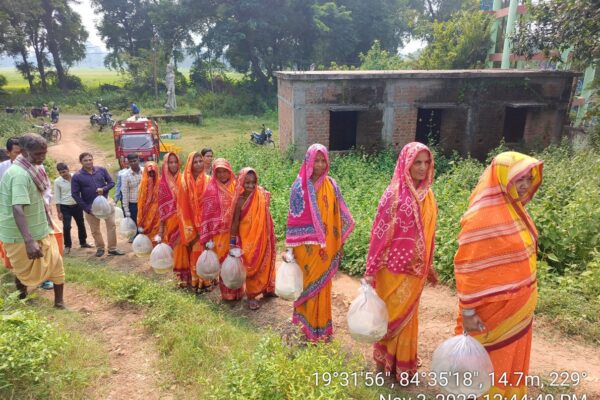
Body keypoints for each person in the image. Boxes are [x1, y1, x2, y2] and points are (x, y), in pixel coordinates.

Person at [454, 151, 543, 398]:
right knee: (488, 365)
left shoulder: (516, 211)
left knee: (508, 364)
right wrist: (469, 312)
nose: (524, 184)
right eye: (518, 178)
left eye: (528, 177)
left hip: (518, 312)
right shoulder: (481, 217)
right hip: (490, 314)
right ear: (502, 178)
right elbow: (467, 266)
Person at [364, 142, 438, 381]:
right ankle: (383, 362)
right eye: (417, 162)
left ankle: (403, 366)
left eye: (426, 162)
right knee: (391, 317)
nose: (422, 167)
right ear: (406, 163)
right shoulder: (393, 194)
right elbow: (379, 233)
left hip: (416, 271)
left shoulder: (428, 196)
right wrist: (371, 269)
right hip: (392, 270)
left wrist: (431, 263)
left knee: (408, 320)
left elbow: (429, 234)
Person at [285, 144, 355, 342]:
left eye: (323, 160)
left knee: (323, 287)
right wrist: (289, 249)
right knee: (305, 285)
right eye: (316, 160)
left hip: (326, 247)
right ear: (308, 161)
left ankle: (322, 328)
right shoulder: (298, 187)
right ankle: (303, 325)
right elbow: (293, 219)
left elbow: (340, 215)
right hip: (305, 249)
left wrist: (336, 240)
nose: (320, 164)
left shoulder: (332, 185)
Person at [0, 134, 65, 308]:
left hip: (41, 228)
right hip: (20, 235)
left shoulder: (34, 168)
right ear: (23, 152)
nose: (42, 157)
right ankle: (21, 300)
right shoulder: (19, 174)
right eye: (37, 154)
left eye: (44, 153)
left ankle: (59, 303)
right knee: (22, 271)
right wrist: (29, 241)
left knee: (56, 263)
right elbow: (17, 208)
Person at [230, 168, 276, 310]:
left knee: (265, 260)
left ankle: (267, 288)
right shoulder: (239, 201)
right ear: (241, 182)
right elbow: (235, 222)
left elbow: (266, 213)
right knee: (251, 265)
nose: (250, 186)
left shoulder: (261, 195)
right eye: (247, 182)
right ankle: (251, 295)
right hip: (247, 239)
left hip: (263, 235)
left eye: (253, 182)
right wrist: (232, 243)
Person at [200, 158, 241, 301]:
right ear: (215, 173)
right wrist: (207, 237)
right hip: (219, 235)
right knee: (225, 263)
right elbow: (206, 214)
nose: (223, 175)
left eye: (225, 171)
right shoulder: (210, 189)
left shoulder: (237, 186)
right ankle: (227, 294)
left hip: (237, 232)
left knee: (237, 261)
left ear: (230, 171)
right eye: (219, 172)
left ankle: (238, 291)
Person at [71, 152, 124, 257]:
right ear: (81, 162)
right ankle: (100, 248)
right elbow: (75, 194)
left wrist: (103, 189)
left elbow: (111, 183)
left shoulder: (101, 170)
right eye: (85, 160)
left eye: (90, 159)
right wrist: (86, 208)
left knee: (111, 226)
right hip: (90, 207)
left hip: (106, 204)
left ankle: (112, 249)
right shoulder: (77, 176)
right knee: (95, 230)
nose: (88, 162)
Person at [177, 151, 211, 291]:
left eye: (200, 161)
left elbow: (211, 203)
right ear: (190, 164)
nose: (198, 164)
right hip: (190, 224)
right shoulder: (184, 182)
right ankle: (197, 282)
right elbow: (181, 206)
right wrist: (190, 228)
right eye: (195, 162)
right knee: (196, 251)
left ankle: (207, 281)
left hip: (206, 223)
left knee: (207, 252)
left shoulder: (208, 180)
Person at [157, 152, 190, 286]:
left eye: (175, 162)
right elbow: (161, 207)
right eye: (170, 162)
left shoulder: (184, 179)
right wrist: (161, 228)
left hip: (185, 220)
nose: (173, 165)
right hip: (171, 221)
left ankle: (189, 276)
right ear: (165, 164)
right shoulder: (162, 183)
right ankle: (180, 277)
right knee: (176, 248)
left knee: (187, 247)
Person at [54, 162, 92, 255]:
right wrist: (59, 212)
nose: (63, 174)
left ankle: (83, 242)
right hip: (65, 207)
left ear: (68, 169)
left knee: (81, 224)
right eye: (61, 173)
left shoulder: (76, 177)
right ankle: (67, 245)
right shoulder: (57, 182)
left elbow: (82, 190)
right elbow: (57, 198)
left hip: (77, 205)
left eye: (64, 171)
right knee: (66, 226)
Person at [0, 137, 22, 271]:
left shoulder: (34, 167)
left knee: (35, 241)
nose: (20, 156)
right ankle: (16, 271)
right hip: (8, 212)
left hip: (29, 211)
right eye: (16, 153)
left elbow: (45, 190)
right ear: (8, 153)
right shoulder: (2, 169)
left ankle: (41, 276)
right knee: (13, 242)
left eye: (22, 152)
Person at [136, 161, 160, 243]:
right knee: (148, 231)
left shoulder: (160, 183)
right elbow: (141, 203)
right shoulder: (143, 185)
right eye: (150, 173)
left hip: (158, 213)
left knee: (156, 232)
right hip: (146, 213)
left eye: (153, 172)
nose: (152, 175)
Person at [122, 153, 143, 242]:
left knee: (145, 222)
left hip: (145, 203)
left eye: (135, 161)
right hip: (133, 204)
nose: (133, 163)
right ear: (128, 163)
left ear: (138, 160)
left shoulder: (145, 171)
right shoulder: (126, 175)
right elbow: (125, 193)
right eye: (131, 162)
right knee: (135, 223)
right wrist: (126, 209)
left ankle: (145, 239)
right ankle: (138, 242)